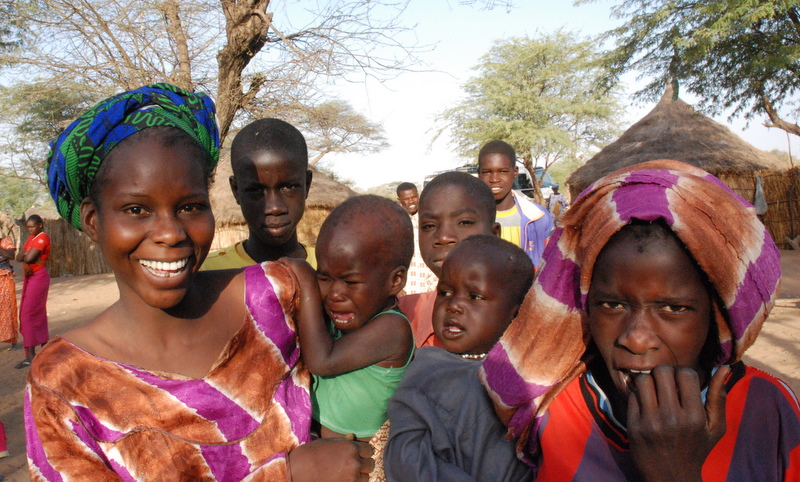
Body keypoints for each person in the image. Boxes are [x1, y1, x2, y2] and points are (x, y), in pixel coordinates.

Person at [27, 83, 372, 481]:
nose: (171, 232)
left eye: (190, 207)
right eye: (136, 209)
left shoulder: (278, 295)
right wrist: (286, 475)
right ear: (92, 221)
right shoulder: (64, 383)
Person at [481, 159, 800, 480]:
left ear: (716, 315)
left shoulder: (765, 411)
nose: (635, 339)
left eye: (673, 309)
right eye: (612, 305)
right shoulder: (560, 412)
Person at [384, 235, 535, 481]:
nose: (453, 305)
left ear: (515, 315)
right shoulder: (427, 368)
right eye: (444, 292)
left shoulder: (531, 377)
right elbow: (405, 457)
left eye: (474, 297)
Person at [286, 195, 415, 481]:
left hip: (363, 465)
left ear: (395, 281)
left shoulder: (392, 329)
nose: (335, 294)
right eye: (324, 277)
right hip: (321, 451)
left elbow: (322, 361)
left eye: (351, 281)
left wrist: (307, 282)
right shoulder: (342, 317)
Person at [397, 172, 500, 348]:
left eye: (464, 222)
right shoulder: (402, 317)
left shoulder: (533, 307)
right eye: (429, 226)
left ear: (494, 234)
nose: (443, 237)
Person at [201, 118, 316, 270]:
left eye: (288, 187)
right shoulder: (207, 274)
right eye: (256, 191)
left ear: (306, 185)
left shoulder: (335, 270)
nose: (274, 208)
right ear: (236, 191)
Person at [477, 140, 553, 269]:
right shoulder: (468, 219)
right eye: (487, 172)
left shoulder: (538, 217)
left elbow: (551, 264)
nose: (494, 179)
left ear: (515, 173)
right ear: (479, 174)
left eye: (503, 171)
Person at [15, 214, 50, 369]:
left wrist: (25, 256)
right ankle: (44, 347)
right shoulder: (32, 239)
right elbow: (18, 257)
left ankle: (30, 355)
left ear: (40, 225)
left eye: (32, 226)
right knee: (35, 312)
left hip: (38, 277)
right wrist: (24, 256)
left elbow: (28, 258)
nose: (29, 229)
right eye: (28, 227)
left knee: (28, 313)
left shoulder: (43, 238)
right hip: (30, 277)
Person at [396, 182, 436, 295]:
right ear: (400, 201)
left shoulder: (430, 218)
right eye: (407, 199)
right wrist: (398, 289)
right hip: (409, 287)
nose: (411, 202)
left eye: (414, 197)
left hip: (431, 283)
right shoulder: (397, 223)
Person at [0, 235, 18, 350]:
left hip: (5, 278)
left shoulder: (6, 241)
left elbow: (11, 255)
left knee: (8, 308)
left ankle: (13, 340)